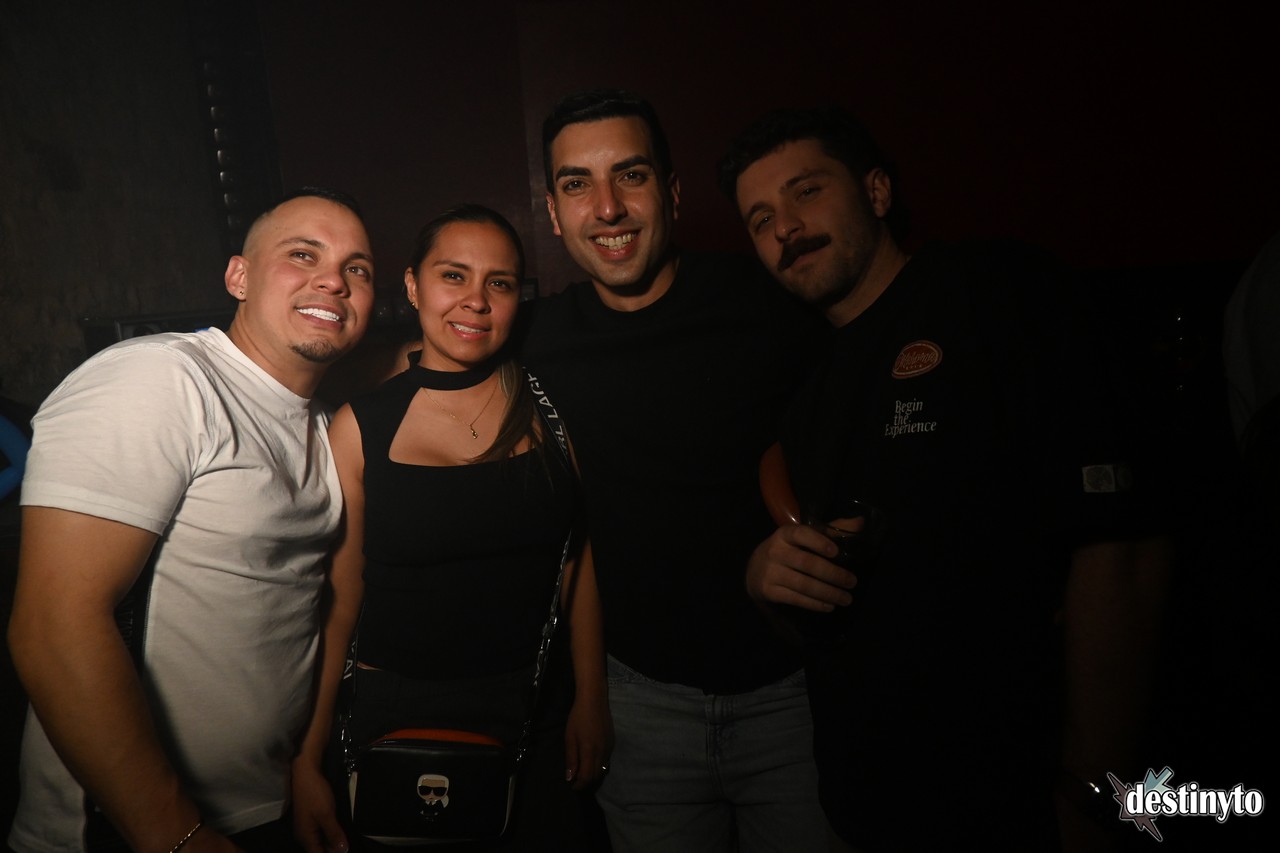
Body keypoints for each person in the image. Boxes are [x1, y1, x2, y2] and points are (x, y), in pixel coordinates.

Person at [719, 107, 1172, 851]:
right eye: (760, 218)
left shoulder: (997, 293)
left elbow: (1122, 546)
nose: (785, 227)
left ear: (876, 191)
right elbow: (828, 616)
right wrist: (768, 582)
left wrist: (1099, 792)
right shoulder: (808, 399)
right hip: (871, 809)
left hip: (1023, 800)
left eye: (806, 191)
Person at [7, 188, 376, 852]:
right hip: (129, 827)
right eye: (303, 254)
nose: (333, 280)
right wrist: (172, 832)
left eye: (358, 268)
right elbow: (53, 626)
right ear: (239, 276)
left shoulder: (326, 427)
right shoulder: (160, 381)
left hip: (263, 807)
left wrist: (303, 769)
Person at [516, 89, 830, 852]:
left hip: (796, 695)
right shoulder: (536, 339)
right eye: (577, 184)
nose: (608, 208)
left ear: (673, 191)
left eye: (631, 175)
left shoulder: (771, 301)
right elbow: (425, 359)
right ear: (553, 213)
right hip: (638, 706)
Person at [290, 204, 609, 853]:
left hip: (531, 709)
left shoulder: (548, 408)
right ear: (413, 285)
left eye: (499, 282)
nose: (476, 300)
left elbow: (575, 566)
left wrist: (592, 698)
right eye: (453, 275)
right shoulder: (360, 425)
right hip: (397, 712)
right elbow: (340, 601)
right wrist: (308, 753)